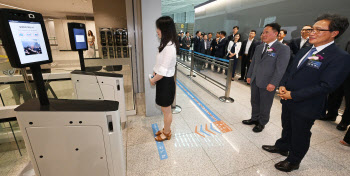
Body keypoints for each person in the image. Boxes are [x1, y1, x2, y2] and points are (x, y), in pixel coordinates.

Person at [262, 14, 350, 172]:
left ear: (334, 33)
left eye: (318, 29)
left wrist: (293, 95)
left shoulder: (340, 57)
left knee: (300, 133)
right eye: (312, 28)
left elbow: (326, 86)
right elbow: (291, 70)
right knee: (287, 126)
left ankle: (294, 161)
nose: (312, 32)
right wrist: (283, 85)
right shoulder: (307, 49)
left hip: (307, 104)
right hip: (288, 98)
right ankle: (283, 146)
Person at [244, 23, 290, 133]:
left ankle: (262, 122)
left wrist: (274, 83)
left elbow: (281, 68)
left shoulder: (282, 48)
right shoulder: (259, 47)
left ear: (276, 34)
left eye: (266, 32)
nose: (263, 35)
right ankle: (254, 118)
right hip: (255, 79)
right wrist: (249, 75)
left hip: (268, 82)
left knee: (265, 103)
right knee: (254, 100)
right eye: (263, 32)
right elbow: (253, 63)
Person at [150, 16, 179, 141]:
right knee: (164, 108)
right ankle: (165, 129)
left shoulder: (170, 47)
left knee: (166, 110)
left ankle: (167, 132)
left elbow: (163, 70)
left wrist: (153, 79)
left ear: (165, 29)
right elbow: (160, 65)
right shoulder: (165, 44)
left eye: (159, 28)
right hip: (162, 81)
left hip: (166, 82)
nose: (157, 30)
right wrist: (154, 72)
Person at [321, 43, 350, 130]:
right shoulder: (348, 42)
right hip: (343, 71)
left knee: (348, 100)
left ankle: (344, 122)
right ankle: (331, 114)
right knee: (335, 93)